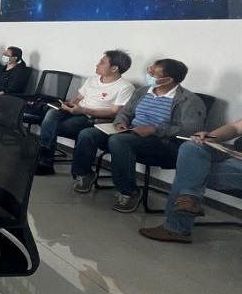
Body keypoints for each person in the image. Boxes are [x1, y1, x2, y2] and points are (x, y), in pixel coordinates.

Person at [70, 58, 206, 213]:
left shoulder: (189, 101)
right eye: (149, 70)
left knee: (118, 141)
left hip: (162, 143)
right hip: (130, 133)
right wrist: (121, 122)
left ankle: (129, 192)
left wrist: (155, 130)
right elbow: (125, 112)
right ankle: (84, 174)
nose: (148, 75)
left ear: (168, 80)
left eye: (153, 73)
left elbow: (190, 130)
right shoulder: (142, 91)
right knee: (88, 134)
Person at [139, 117, 242, 243]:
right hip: (235, 152)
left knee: (190, 169)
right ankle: (188, 201)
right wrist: (210, 136)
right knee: (192, 147)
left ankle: (177, 227)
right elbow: (236, 127)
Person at [35, 50, 135, 175]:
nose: (97, 64)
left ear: (114, 68)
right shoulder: (92, 80)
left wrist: (83, 110)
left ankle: (45, 160)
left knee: (52, 126)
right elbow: (78, 98)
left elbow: (114, 113)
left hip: (93, 118)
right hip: (77, 111)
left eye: (102, 63)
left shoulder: (125, 87)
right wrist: (69, 104)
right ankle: (44, 159)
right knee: (51, 114)